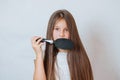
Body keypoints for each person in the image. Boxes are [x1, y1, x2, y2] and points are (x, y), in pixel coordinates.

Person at [31, 9, 93, 80]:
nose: (61, 34)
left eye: (66, 30)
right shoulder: (45, 57)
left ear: (72, 32)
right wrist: (38, 54)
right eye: (57, 29)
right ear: (51, 31)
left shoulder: (80, 58)